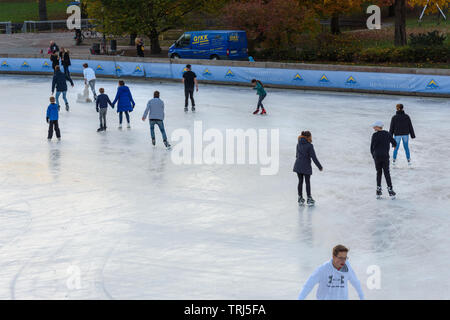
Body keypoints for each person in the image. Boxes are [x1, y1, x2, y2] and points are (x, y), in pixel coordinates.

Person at [297, 245, 365, 300]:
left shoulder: (347, 268)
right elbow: (308, 285)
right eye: (340, 258)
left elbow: (356, 282)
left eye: (345, 258)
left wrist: (362, 297)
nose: (343, 261)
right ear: (333, 257)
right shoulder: (323, 269)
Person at [293, 131, 323, 206]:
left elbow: (296, 155)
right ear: (308, 137)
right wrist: (320, 167)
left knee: (300, 181)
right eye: (310, 136)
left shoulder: (298, 144)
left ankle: (300, 198)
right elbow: (314, 157)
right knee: (307, 182)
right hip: (306, 166)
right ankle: (309, 199)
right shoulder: (310, 145)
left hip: (298, 165)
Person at [371, 121, 397, 199]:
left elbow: (371, 148)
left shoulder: (374, 135)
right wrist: (394, 146)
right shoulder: (387, 134)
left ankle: (378, 190)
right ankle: (390, 190)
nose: (373, 127)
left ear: (378, 127)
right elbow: (394, 142)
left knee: (379, 172)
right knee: (386, 173)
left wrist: (374, 156)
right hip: (385, 156)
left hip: (377, 156)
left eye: (374, 126)